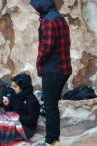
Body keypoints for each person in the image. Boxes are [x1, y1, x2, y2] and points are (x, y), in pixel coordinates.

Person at [29, 0, 72, 145]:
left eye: (36, 7)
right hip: (62, 69)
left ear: (42, 5)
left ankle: (51, 141)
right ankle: (54, 139)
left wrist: (39, 62)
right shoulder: (60, 17)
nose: (34, 9)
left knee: (50, 106)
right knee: (52, 105)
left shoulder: (48, 20)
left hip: (53, 70)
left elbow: (46, 47)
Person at [3, 73, 40, 139]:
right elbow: (10, 109)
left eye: (15, 86)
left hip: (27, 128)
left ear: (22, 87)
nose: (13, 88)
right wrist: (7, 104)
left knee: (2, 132)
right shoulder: (14, 94)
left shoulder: (32, 100)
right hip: (15, 121)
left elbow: (32, 120)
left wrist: (17, 118)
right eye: (13, 86)